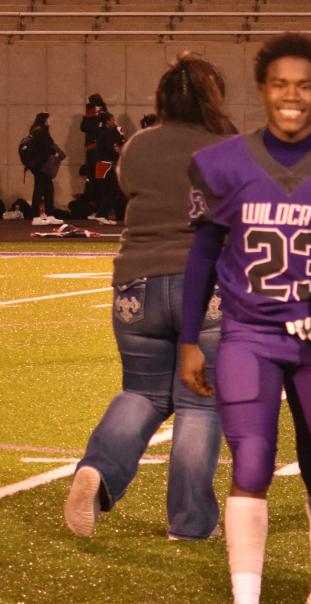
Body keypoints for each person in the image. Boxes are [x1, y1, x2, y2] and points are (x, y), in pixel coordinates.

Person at [178, 33, 311, 604]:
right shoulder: (223, 163)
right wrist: (188, 338)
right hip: (248, 335)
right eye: (280, 84)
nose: (292, 96)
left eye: (305, 85)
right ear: (263, 89)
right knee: (252, 463)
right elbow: (203, 255)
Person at [63, 58, 237, 541]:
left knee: (141, 392)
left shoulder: (138, 145)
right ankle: (190, 521)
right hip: (205, 288)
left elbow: (126, 186)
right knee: (201, 404)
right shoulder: (227, 148)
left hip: (135, 285)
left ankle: (98, 470)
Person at [19, 113, 66, 225]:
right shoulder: (40, 131)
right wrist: (55, 153)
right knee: (39, 190)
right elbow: (45, 147)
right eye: (49, 118)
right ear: (44, 120)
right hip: (40, 165)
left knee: (48, 189)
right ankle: (36, 217)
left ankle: (50, 215)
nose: (51, 120)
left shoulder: (36, 130)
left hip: (39, 164)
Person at [89, 112, 127, 223]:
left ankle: (103, 215)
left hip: (101, 164)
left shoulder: (102, 132)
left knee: (106, 191)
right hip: (107, 164)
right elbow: (113, 149)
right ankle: (101, 214)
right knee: (112, 190)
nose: (114, 122)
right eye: (112, 120)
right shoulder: (107, 133)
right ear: (107, 122)